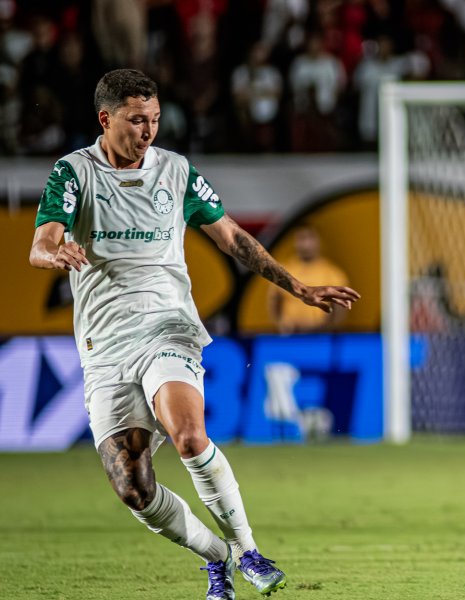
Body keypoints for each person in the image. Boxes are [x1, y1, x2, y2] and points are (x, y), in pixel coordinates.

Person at [28, 69, 361, 600]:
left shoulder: (176, 171)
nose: (148, 131)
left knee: (188, 435)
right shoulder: (75, 172)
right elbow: (41, 243)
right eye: (136, 120)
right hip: (105, 345)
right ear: (105, 119)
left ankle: (249, 551)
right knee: (134, 489)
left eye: (155, 119)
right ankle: (218, 557)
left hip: (168, 325)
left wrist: (297, 287)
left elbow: (232, 237)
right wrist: (55, 253)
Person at [268, 225, 351, 334]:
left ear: (318, 241)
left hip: (319, 335)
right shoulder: (283, 271)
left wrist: (327, 329)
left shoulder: (332, 273)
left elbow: (339, 308)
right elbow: (275, 301)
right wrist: (281, 325)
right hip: (291, 335)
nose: (306, 244)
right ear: (295, 242)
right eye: (301, 238)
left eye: (310, 238)